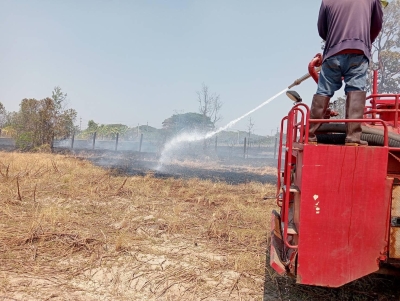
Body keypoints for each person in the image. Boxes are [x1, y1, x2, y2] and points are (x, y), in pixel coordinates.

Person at [309, 0, 384, 145]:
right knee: (356, 89)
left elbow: (322, 29)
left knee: (323, 90)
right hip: (358, 50)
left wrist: (335, 41)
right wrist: (365, 42)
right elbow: (377, 25)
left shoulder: (327, 1)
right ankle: (353, 138)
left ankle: (311, 135)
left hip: (332, 52)